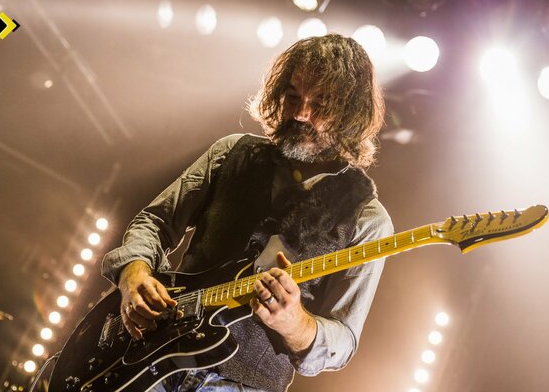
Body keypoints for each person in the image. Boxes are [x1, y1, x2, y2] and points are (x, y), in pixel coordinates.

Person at [102, 33, 394, 392]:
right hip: (144, 359)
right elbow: (155, 221)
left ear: (350, 114)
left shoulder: (367, 220)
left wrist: (296, 323)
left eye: (320, 103)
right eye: (292, 96)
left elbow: (344, 339)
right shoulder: (230, 153)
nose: (301, 113)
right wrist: (132, 274)